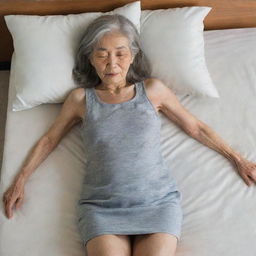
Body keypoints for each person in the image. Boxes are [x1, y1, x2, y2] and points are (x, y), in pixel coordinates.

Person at [3, 14, 256, 256]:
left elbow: (196, 127)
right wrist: (20, 180)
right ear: (90, 58)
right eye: (101, 54)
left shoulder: (153, 90)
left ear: (133, 55)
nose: (112, 63)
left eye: (120, 53)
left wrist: (238, 159)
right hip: (102, 207)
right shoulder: (80, 99)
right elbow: (49, 139)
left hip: (157, 204)